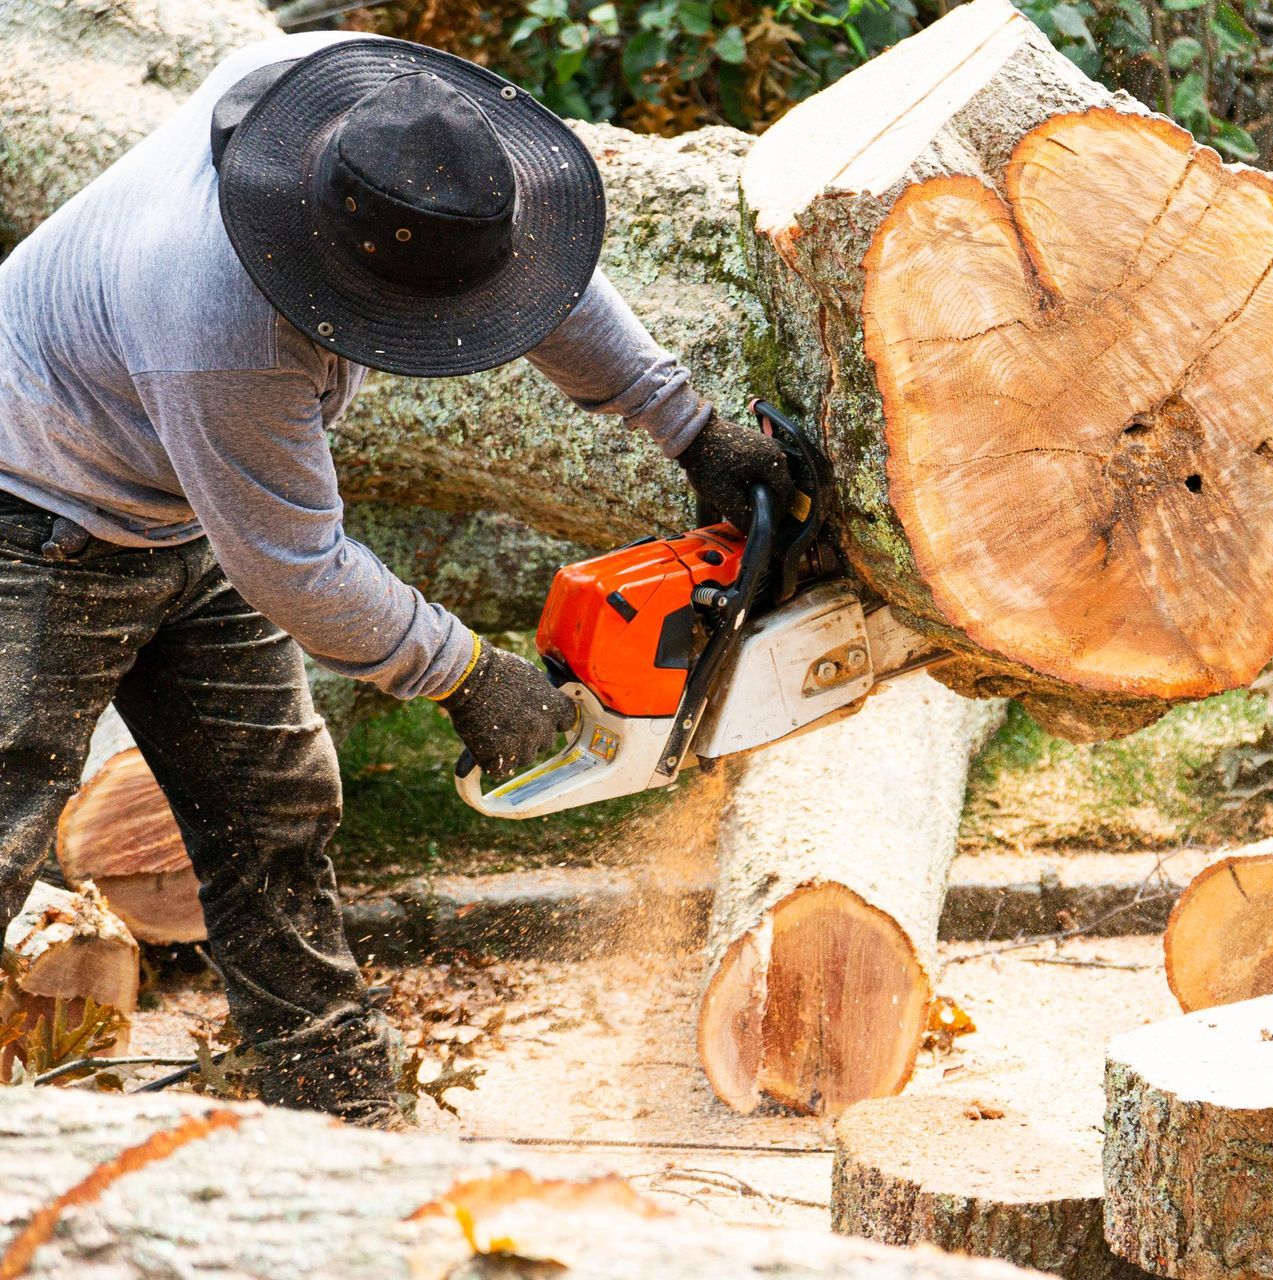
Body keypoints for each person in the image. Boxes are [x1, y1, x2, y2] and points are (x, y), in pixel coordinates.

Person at [0, 32, 793, 1124]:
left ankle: (351, 1132)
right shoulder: (220, 318)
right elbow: (296, 566)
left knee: (272, 811)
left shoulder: (381, 123)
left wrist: (688, 424)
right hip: (30, 510)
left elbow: (528, 277)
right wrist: (466, 672)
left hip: (180, 503)